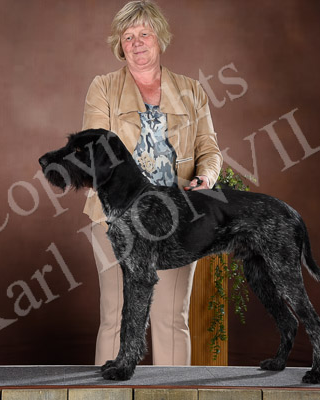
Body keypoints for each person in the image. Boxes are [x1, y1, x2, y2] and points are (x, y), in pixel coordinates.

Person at [82, 0, 223, 366]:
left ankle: (170, 390)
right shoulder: (103, 88)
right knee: (116, 315)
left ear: (160, 37)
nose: (137, 43)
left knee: (170, 320)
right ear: (120, 44)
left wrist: (206, 178)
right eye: (128, 36)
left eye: (144, 34)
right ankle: (107, 390)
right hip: (116, 219)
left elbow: (210, 150)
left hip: (176, 217)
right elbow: (96, 151)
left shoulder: (192, 90)